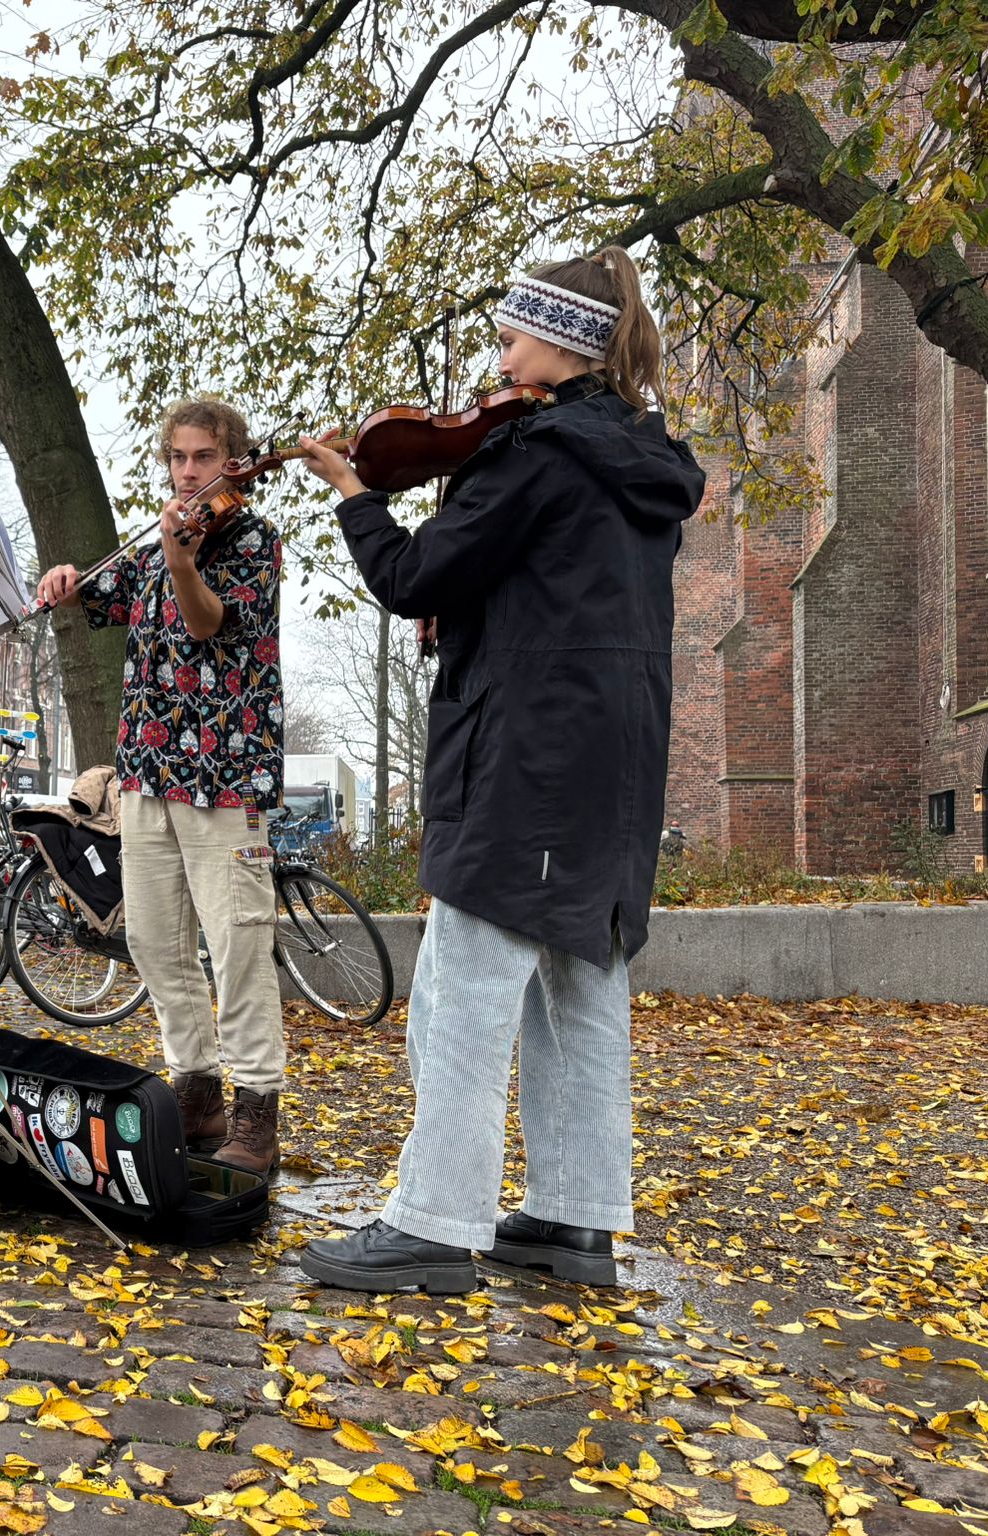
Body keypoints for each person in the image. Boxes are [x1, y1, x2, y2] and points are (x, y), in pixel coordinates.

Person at [291, 246, 705, 1293]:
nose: (499, 355)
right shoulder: (634, 459)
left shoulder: (536, 450)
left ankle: (432, 1222)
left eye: (513, 336)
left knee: (460, 990)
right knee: (577, 984)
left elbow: (411, 572)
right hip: (610, 755)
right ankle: (572, 1220)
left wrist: (352, 494)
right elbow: (556, 589)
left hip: (526, 750)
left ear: (562, 343)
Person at [34, 397, 287, 1174]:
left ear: (232, 462)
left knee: (237, 943)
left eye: (203, 458)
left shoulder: (251, 540)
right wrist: (67, 582)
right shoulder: (151, 549)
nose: (186, 472)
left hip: (226, 774)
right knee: (151, 938)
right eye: (177, 458)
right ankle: (198, 1089)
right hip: (146, 773)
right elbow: (102, 600)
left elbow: (208, 622)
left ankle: (258, 1109)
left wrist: (182, 558)